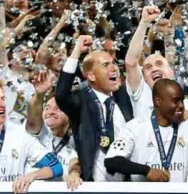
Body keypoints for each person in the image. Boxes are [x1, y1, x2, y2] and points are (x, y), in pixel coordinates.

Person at [55, 35, 134, 182]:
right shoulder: (81, 101)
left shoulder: (124, 97)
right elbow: (61, 95)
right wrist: (77, 50)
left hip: (127, 185)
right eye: (106, 65)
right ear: (91, 76)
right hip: (93, 187)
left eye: (114, 63)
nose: (114, 68)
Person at [104, 79, 188, 183]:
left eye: (182, 100)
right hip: (144, 193)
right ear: (158, 101)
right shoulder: (135, 127)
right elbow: (111, 161)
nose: (181, 105)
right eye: (176, 101)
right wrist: (146, 171)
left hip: (180, 193)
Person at [125, 5, 188, 123]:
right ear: (144, 77)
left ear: (171, 72)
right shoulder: (142, 93)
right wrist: (144, 22)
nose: (154, 68)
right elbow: (131, 63)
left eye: (159, 64)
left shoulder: (186, 106)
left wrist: (169, 34)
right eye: (148, 67)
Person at [24, 68, 82, 189]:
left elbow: (75, 163)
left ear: (69, 115)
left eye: (57, 109)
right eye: (47, 108)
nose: (50, 112)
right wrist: (39, 95)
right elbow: (33, 120)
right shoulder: (41, 133)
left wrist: (74, 174)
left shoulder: (75, 141)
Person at [0, 89, 63, 194]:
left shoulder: (20, 134)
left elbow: (56, 167)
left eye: (2, 99)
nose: (1, 104)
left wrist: (30, 177)